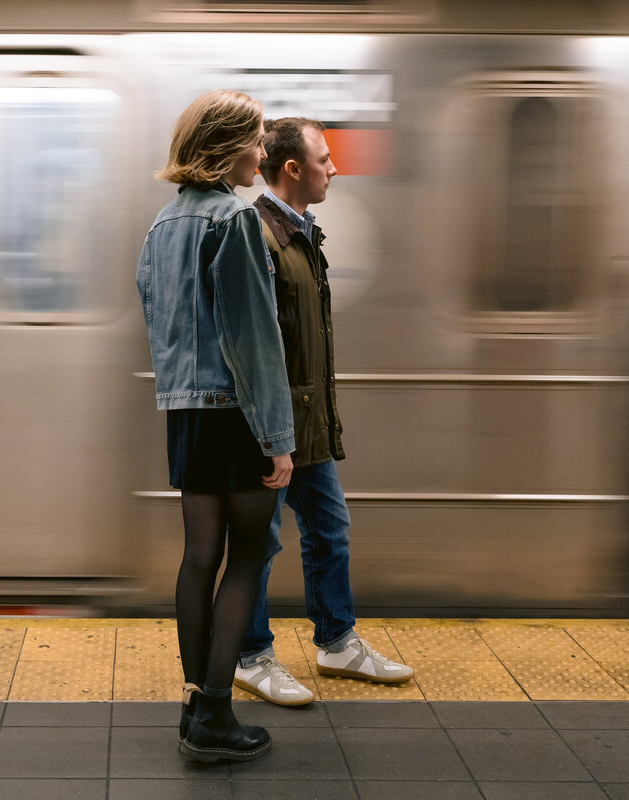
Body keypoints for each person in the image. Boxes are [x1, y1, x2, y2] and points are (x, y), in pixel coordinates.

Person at [136, 90, 295, 761]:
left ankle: (193, 703)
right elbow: (254, 339)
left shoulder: (161, 226)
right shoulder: (234, 220)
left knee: (200, 554)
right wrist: (279, 439)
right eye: (258, 141)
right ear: (228, 146)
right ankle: (216, 715)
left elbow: (160, 322)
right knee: (251, 553)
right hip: (236, 414)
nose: (264, 153)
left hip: (185, 414)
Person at [234, 117, 413, 707]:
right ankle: (250, 655)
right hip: (273, 428)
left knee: (329, 532)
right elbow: (256, 346)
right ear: (293, 168)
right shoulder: (260, 238)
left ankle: (336, 641)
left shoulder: (301, 234)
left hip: (306, 422)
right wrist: (272, 433)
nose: (334, 169)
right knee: (260, 543)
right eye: (325, 158)